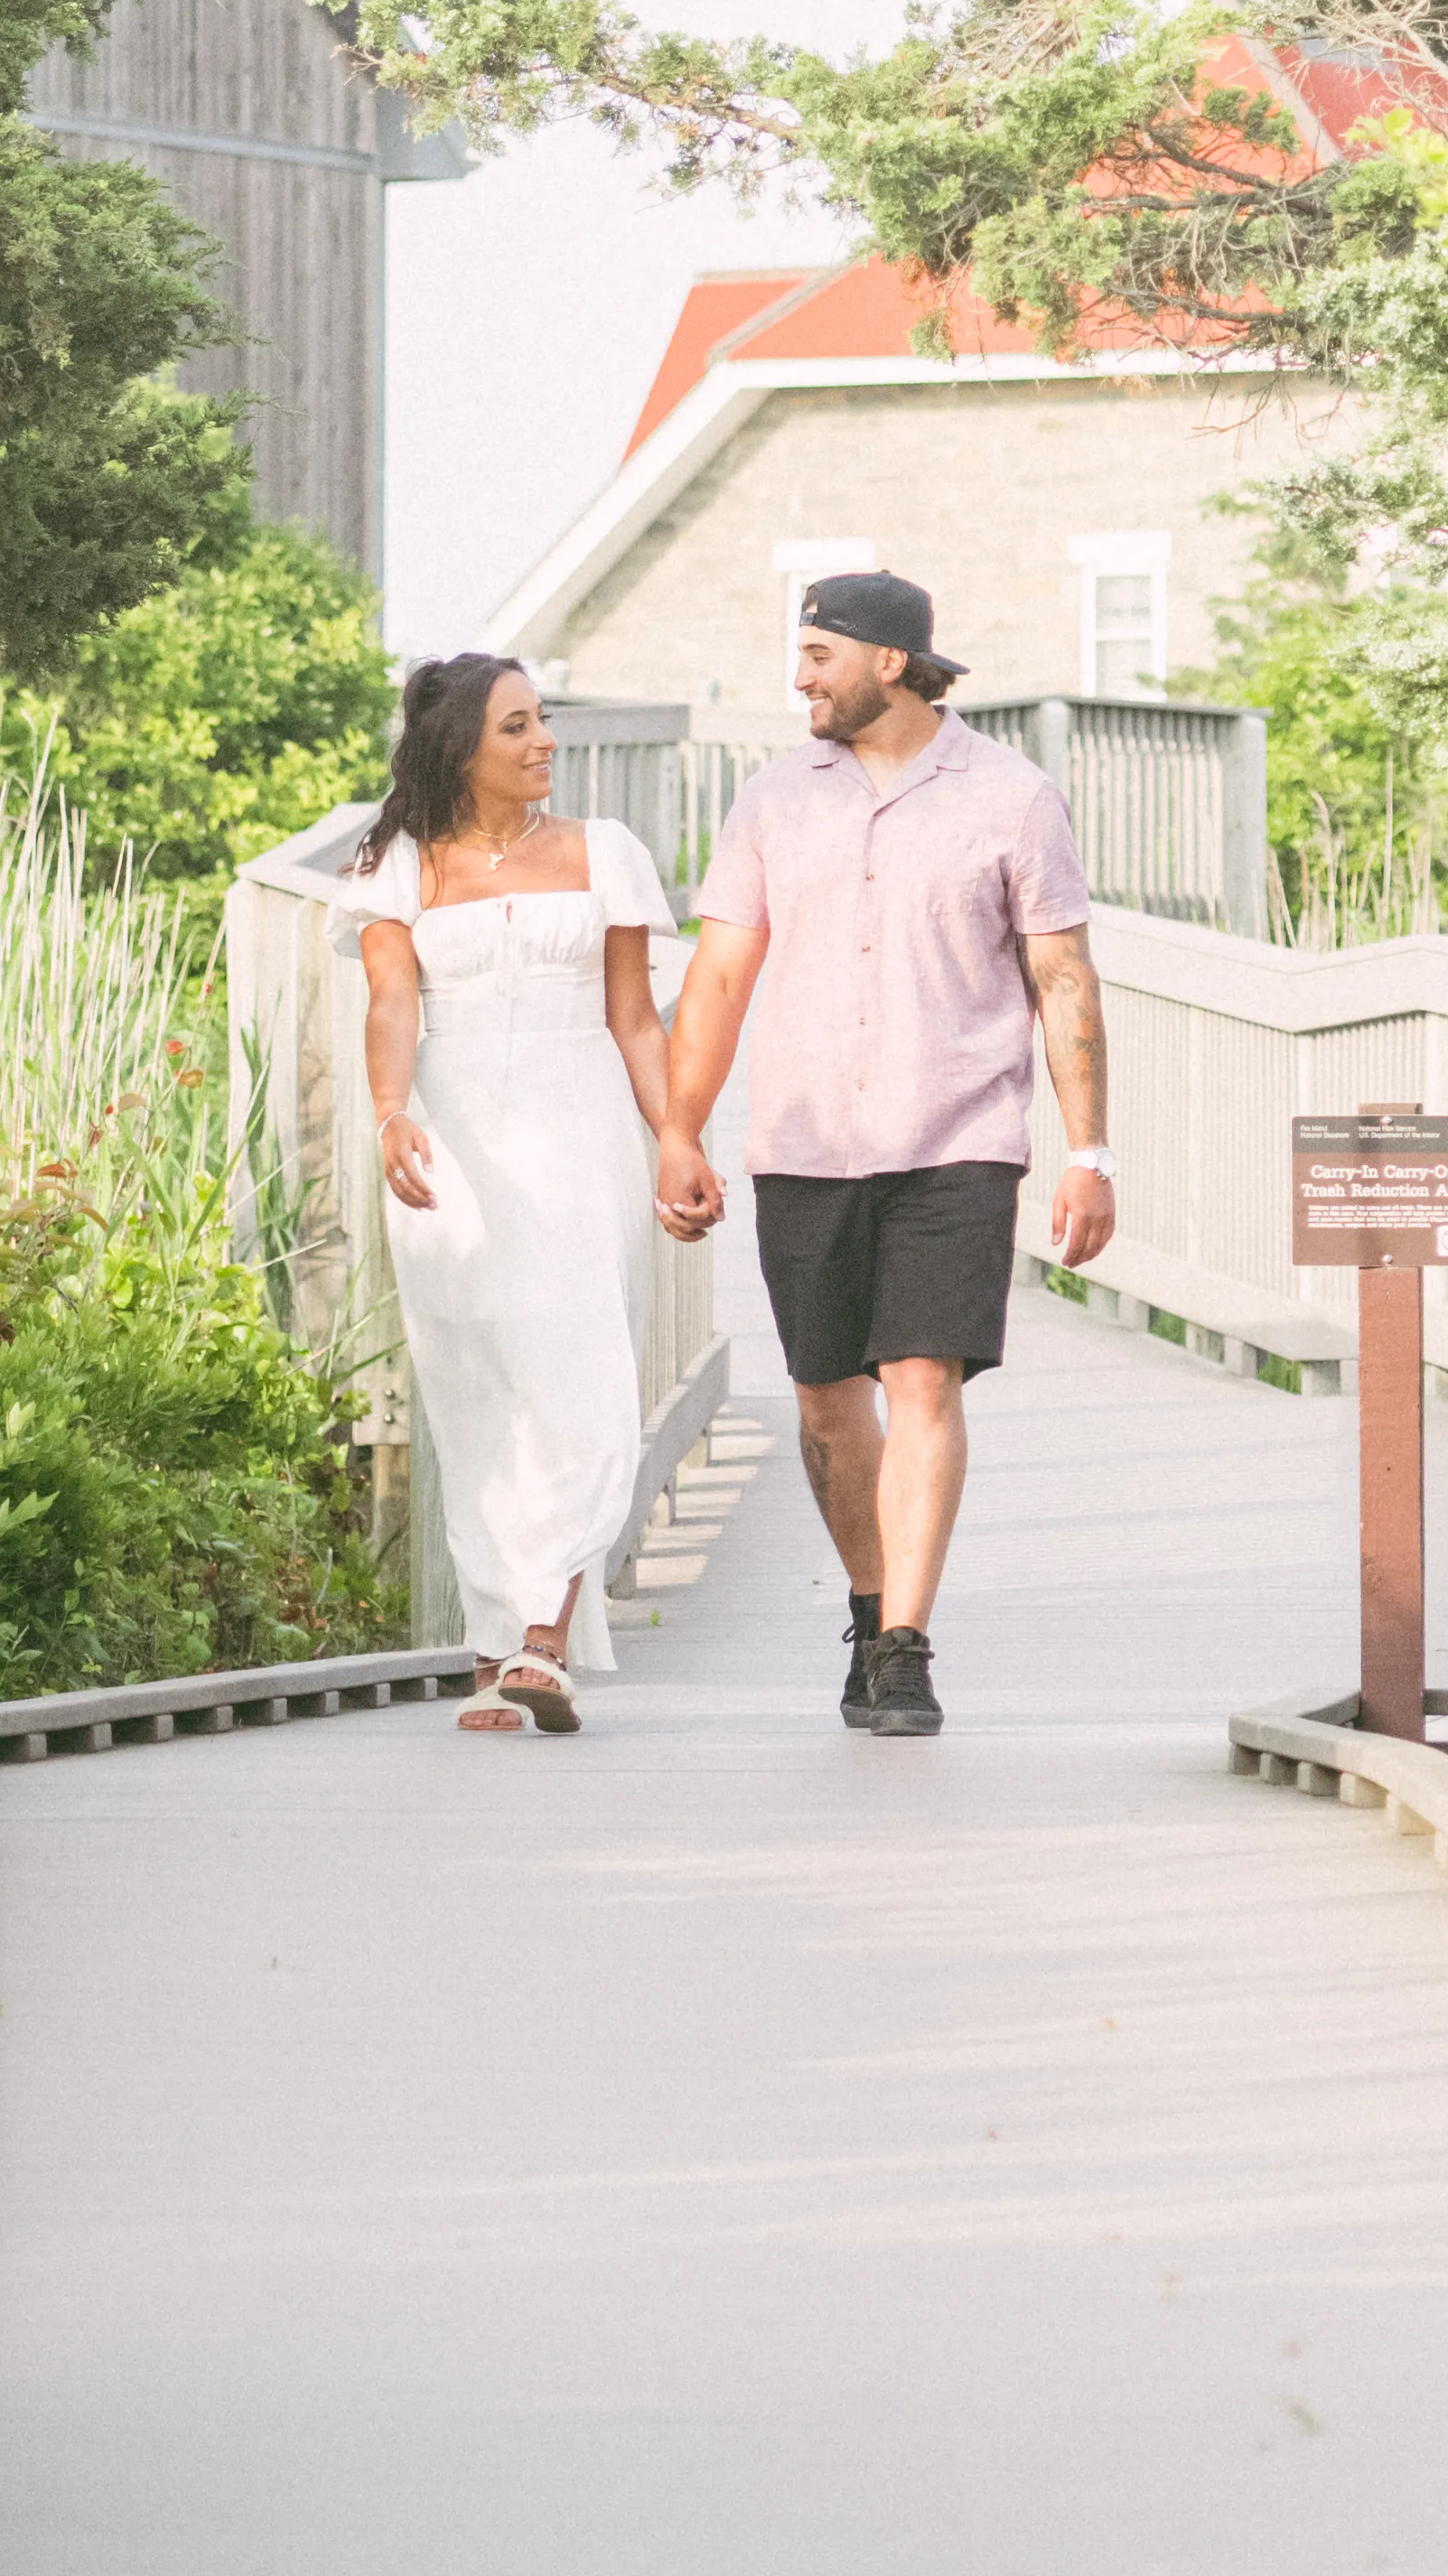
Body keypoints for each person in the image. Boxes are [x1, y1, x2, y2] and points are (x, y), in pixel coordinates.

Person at [650, 573, 1112, 1741]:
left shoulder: (1011, 798)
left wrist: (1089, 1149)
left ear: (892, 660)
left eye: (818, 653)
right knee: (824, 1402)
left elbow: (1062, 978)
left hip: (956, 1136)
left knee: (923, 1380)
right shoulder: (771, 803)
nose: (799, 675)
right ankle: (866, 1604)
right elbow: (716, 978)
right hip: (806, 1140)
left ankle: (905, 1642)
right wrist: (677, 1127)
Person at [346, 650, 684, 1735]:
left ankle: (544, 1637)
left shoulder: (604, 854)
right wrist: (393, 1110)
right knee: (477, 1383)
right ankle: (497, 1647)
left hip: (580, 1130)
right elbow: (392, 997)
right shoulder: (399, 863)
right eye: (516, 728)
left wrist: (677, 1139)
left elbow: (637, 1019)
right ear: (460, 748)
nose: (544, 742)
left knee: (583, 1368)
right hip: (454, 1141)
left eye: (543, 722)